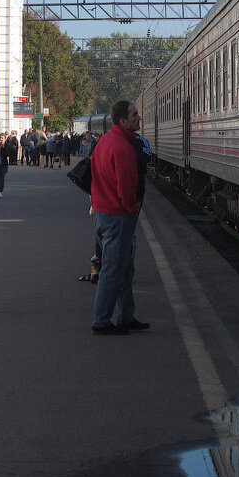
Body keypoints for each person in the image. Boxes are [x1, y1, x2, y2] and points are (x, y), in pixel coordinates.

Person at [89, 100, 149, 334]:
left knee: (123, 269)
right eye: (134, 115)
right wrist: (131, 208)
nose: (139, 118)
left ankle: (126, 316)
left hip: (104, 214)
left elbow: (93, 178)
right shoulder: (123, 148)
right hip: (118, 216)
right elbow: (126, 186)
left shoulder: (104, 142)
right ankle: (101, 321)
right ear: (122, 120)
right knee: (113, 271)